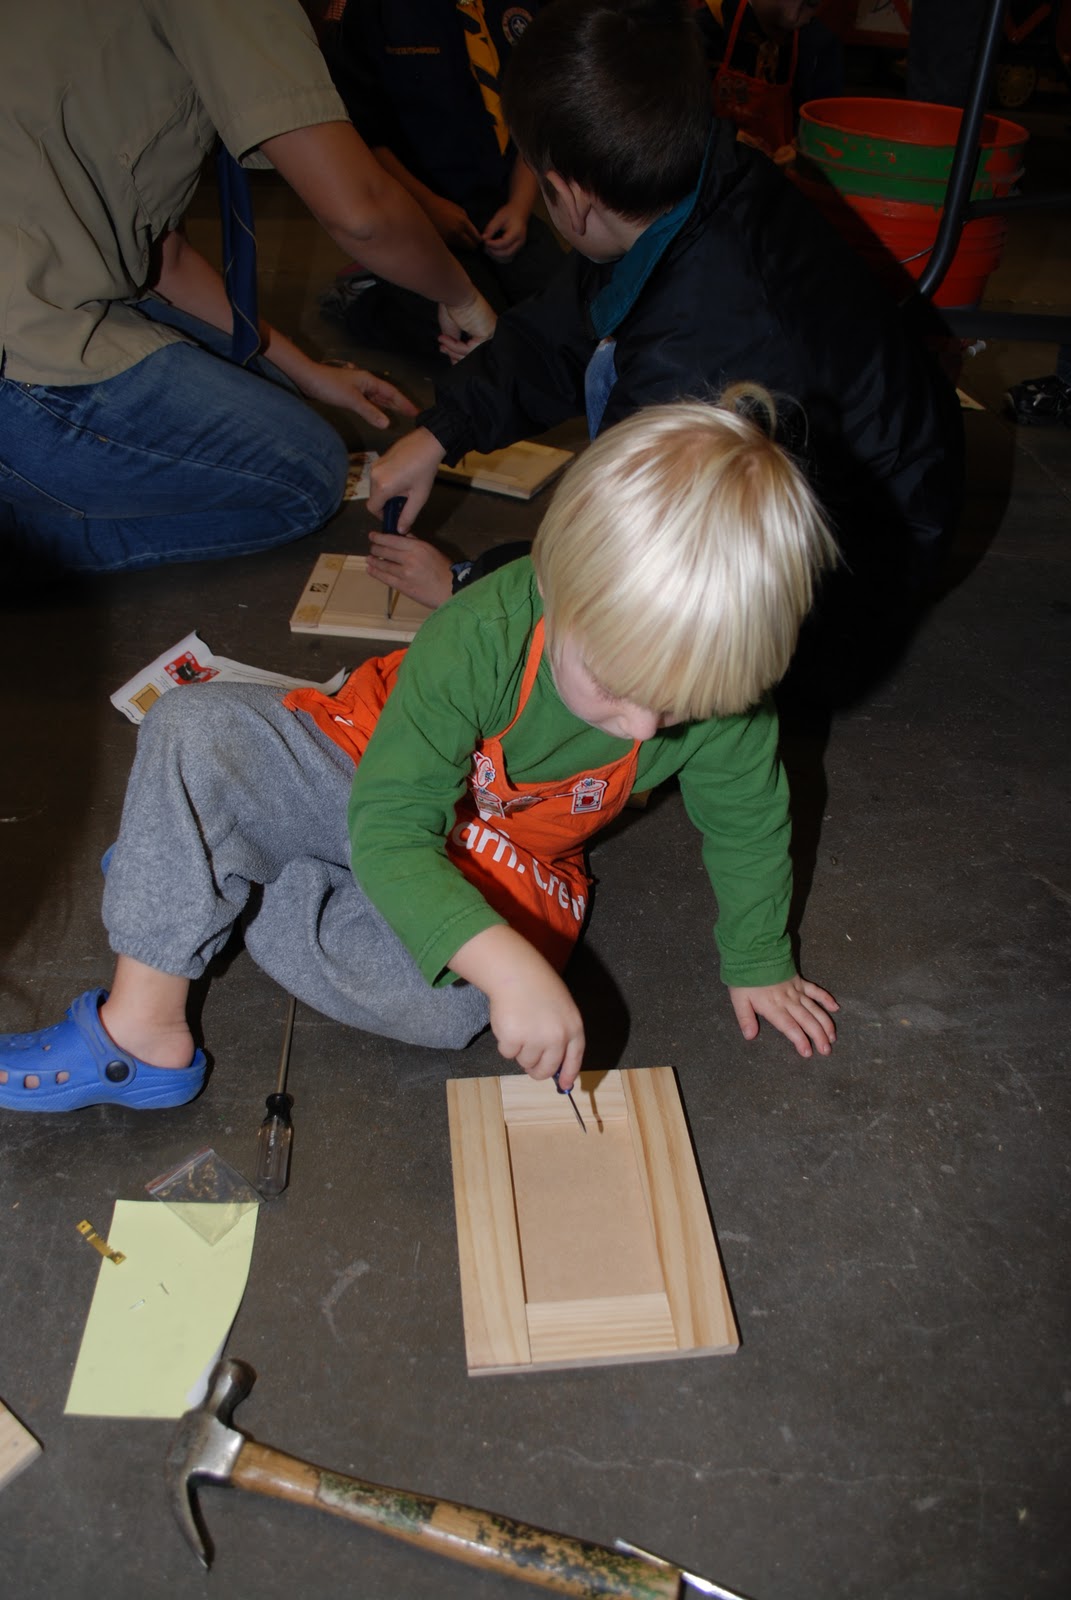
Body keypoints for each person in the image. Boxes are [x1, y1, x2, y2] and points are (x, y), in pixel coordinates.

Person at [0, 392, 839, 1113]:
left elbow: (750, 824)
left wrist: (759, 960)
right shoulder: (480, 632)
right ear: (553, 590)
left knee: (448, 1011)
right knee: (192, 727)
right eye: (618, 687)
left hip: (502, 851)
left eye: (687, 705)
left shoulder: (725, 701)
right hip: (366, 767)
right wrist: (511, 963)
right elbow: (395, 822)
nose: (648, 728)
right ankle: (143, 1029)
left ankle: (198, 865)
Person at [365, 0, 961, 699]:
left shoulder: (699, 345)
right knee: (599, 352)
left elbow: (636, 568)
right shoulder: (695, 183)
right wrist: (442, 432)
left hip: (827, 607)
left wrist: (468, 584)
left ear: (563, 194)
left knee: (588, 670)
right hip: (880, 501)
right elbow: (561, 322)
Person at [0, 0, 496, 577]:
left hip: (33, 290)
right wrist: (463, 297)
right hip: (19, 351)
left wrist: (308, 371)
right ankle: (23, 548)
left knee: (254, 380)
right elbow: (361, 212)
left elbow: (167, 257)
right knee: (305, 479)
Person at [319, 0, 564, 358]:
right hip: (411, 210)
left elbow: (536, 119)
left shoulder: (523, 8)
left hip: (499, 202)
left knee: (564, 319)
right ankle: (367, 299)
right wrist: (428, 207)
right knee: (467, 339)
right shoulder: (372, 12)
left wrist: (519, 206)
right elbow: (364, 136)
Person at [692, 0, 843, 162]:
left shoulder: (818, 45)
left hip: (778, 178)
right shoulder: (701, 29)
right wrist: (721, 139)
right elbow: (674, 125)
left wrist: (801, 151)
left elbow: (824, 134)